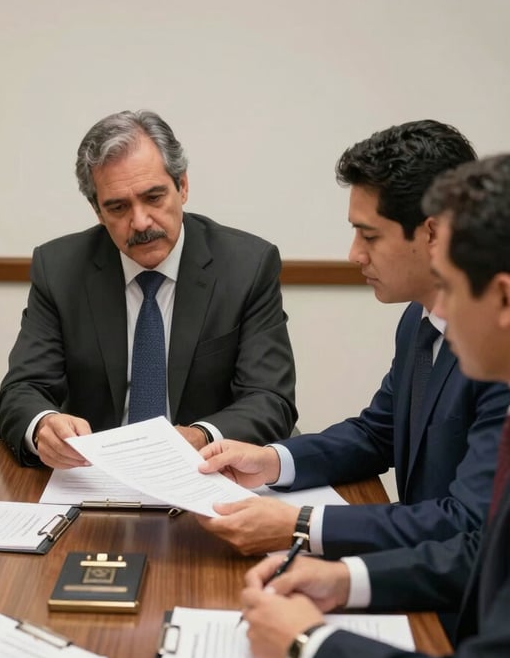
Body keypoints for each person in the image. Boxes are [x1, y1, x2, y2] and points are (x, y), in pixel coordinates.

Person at [239, 154, 510, 658]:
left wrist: (306, 644)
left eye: (452, 285)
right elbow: (381, 435)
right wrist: (344, 579)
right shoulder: (426, 323)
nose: (441, 309)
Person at [196, 120, 510, 558]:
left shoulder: (496, 348)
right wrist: (270, 462)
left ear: (433, 233)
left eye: (369, 235)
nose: (354, 255)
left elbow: (468, 523)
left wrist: (302, 525)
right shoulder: (416, 321)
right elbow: (376, 434)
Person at [0, 109, 297, 469]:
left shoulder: (247, 266)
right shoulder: (59, 269)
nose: (140, 222)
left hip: (204, 475)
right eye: (118, 207)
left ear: (182, 186)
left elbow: (270, 399)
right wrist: (43, 425)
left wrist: (200, 435)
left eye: (154, 198)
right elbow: (21, 391)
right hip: (94, 481)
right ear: (97, 210)